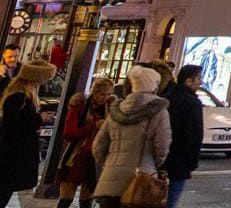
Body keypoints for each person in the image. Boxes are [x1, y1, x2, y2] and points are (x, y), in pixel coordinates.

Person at [91, 65, 171, 208]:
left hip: (110, 178)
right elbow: (162, 146)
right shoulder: (159, 111)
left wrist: (110, 162)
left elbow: (98, 146)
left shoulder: (117, 109)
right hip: (141, 180)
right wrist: (152, 164)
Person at [1, 60, 56, 208]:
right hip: (14, 154)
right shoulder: (20, 98)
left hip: (15, 153)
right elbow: (14, 125)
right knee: (5, 190)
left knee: (8, 190)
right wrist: (39, 118)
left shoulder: (23, 96)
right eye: (44, 78)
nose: (44, 82)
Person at [58, 75, 114, 208]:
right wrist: (93, 126)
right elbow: (69, 133)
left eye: (109, 94)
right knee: (66, 197)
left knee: (87, 200)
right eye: (102, 94)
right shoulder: (80, 106)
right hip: (76, 156)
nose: (105, 97)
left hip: (95, 158)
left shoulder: (110, 109)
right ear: (94, 92)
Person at [162, 65, 205, 208]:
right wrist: (193, 160)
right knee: (171, 201)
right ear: (188, 81)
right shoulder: (193, 103)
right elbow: (195, 134)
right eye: (198, 78)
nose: (201, 82)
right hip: (180, 160)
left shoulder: (167, 97)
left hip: (161, 157)